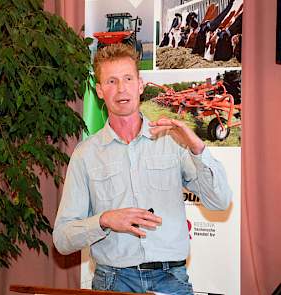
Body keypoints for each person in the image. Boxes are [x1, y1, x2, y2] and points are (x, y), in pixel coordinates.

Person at [53, 43, 232, 295]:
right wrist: (104, 220)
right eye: (111, 81)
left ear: (140, 84)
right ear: (100, 90)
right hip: (112, 281)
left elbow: (220, 201)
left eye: (127, 78)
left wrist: (197, 147)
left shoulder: (173, 141)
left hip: (172, 280)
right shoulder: (86, 155)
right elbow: (62, 238)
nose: (121, 88)